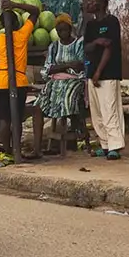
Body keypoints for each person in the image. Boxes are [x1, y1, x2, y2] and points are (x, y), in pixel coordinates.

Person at [0, 0, 41, 164]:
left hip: (0, 82)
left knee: (3, 118)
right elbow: (35, 11)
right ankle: (14, 149)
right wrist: (16, 5)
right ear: (16, 23)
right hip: (19, 81)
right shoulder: (22, 35)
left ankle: (6, 150)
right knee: (16, 118)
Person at [30, 14, 86, 158]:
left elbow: (80, 66)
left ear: (70, 28)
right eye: (59, 30)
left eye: (65, 29)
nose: (63, 33)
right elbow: (47, 69)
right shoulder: (54, 46)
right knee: (37, 106)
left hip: (74, 81)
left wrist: (58, 67)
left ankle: (70, 139)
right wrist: (67, 65)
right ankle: (36, 149)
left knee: (66, 100)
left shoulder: (79, 44)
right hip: (54, 82)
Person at [83, 0, 125, 159]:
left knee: (110, 109)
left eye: (93, 2)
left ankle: (115, 145)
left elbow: (110, 48)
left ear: (102, 5)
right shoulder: (90, 25)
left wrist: (99, 72)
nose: (90, 4)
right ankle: (105, 145)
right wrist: (98, 41)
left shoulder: (112, 22)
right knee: (97, 111)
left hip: (108, 73)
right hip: (92, 73)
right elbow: (87, 47)